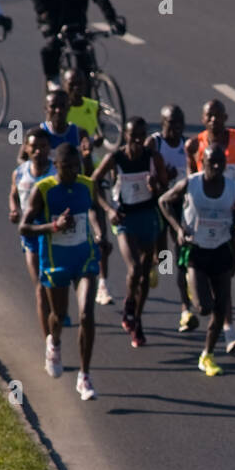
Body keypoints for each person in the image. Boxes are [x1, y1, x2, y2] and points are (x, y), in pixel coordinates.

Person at [20, 142, 107, 401]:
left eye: (74, 166)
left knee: (86, 313)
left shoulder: (86, 185)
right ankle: (54, 343)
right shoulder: (43, 190)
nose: (70, 171)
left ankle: (84, 376)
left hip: (84, 259)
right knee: (58, 315)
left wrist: (101, 234)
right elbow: (23, 228)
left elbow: (92, 210)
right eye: (65, 167)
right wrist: (54, 225)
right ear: (55, 166)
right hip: (56, 261)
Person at [159, 142, 235, 377]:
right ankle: (193, 290)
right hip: (196, 250)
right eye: (211, 162)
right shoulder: (191, 183)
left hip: (221, 250)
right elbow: (164, 201)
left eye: (220, 162)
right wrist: (178, 228)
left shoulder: (233, 187)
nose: (216, 166)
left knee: (221, 306)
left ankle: (207, 355)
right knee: (204, 307)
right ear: (202, 162)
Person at [186, 98, 235, 353]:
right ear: (202, 119)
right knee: (214, 282)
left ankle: (224, 322)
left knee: (228, 273)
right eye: (209, 116)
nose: (214, 120)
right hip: (202, 220)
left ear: (226, 117)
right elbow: (189, 181)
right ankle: (229, 330)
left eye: (219, 115)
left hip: (231, 217)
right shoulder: (194, 145)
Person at [93, 117, 166, 348]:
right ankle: (129, 307)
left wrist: (156, 186)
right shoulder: (115, 158)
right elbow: (93, 184)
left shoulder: (152, 157)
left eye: (141, 135)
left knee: (145, 275)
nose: (137, 140)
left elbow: (165, 187)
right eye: (133, 135)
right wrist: (107, 210)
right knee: (133, 268)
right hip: (124, 219)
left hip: (147, 217)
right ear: (125, 135)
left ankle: (137, 318)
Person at [64, 68, 115, 305]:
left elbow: (98, 137)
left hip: (89, 174)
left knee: (101, 233)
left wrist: (96, 145)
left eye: (80, 84)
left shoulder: (92, 106)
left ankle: (102, 285)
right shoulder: (59, 111)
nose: (76, 88)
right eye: (72, 84)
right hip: (66, 180)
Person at [146, 104, 194, 328]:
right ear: (162, 123)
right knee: (162, 252)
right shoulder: (154, 143)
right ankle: (155, 264)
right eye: (169, 122)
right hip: (156, 204)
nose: (174, 127)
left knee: (182, 256)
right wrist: (157, 179)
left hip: (179, 206)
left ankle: (186, 310)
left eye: (178, 123)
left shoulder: (188, 146)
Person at [9, 125, 54, 344]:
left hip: (55, 232)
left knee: (54, 286)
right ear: (26, 148)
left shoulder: (57, 172)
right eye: (34, 147)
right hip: (30, 233)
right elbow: (14, 195)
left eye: (43, 147)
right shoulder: (20, 172)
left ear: (50, 148)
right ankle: (49, 342)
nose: (38, 151)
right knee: (40, 286)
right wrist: (14, 210)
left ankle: (56, 312)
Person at [40, 87, 83, 152]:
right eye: (53, 106)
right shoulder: (39, 132)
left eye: (62, 106)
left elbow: (88, 159)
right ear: (46, 109)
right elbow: (22, 159)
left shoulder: (79, 133)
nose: (58, 110)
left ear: (69, 107)